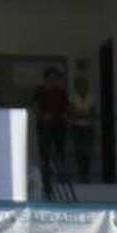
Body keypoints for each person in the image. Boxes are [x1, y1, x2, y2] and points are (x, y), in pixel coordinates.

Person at [32, 67, 68, 199]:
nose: (53, 80)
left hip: (58, 125)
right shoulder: (39, 91)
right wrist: (43, 115)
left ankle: (61, 176)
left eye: (55, 78)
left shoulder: (61, 92)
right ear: (46, 79)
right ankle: (46, 181)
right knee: (45, 153)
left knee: (59, 150)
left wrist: (64, 116)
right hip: (44, 125)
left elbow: (65, 108)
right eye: (51, 78)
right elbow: (35, 107)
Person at [68, 74, 96, 182]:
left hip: (88, 127)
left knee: (88, 151)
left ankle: (86, 174)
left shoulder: (91, 96)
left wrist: (81, 113)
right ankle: (81, 174)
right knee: (79, 150)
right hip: (77, 127)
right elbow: (72, 111)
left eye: (84, 84)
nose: (82, 86)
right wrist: (83, 113)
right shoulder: (73, 96)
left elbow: (92, 111)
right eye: (79, 84)